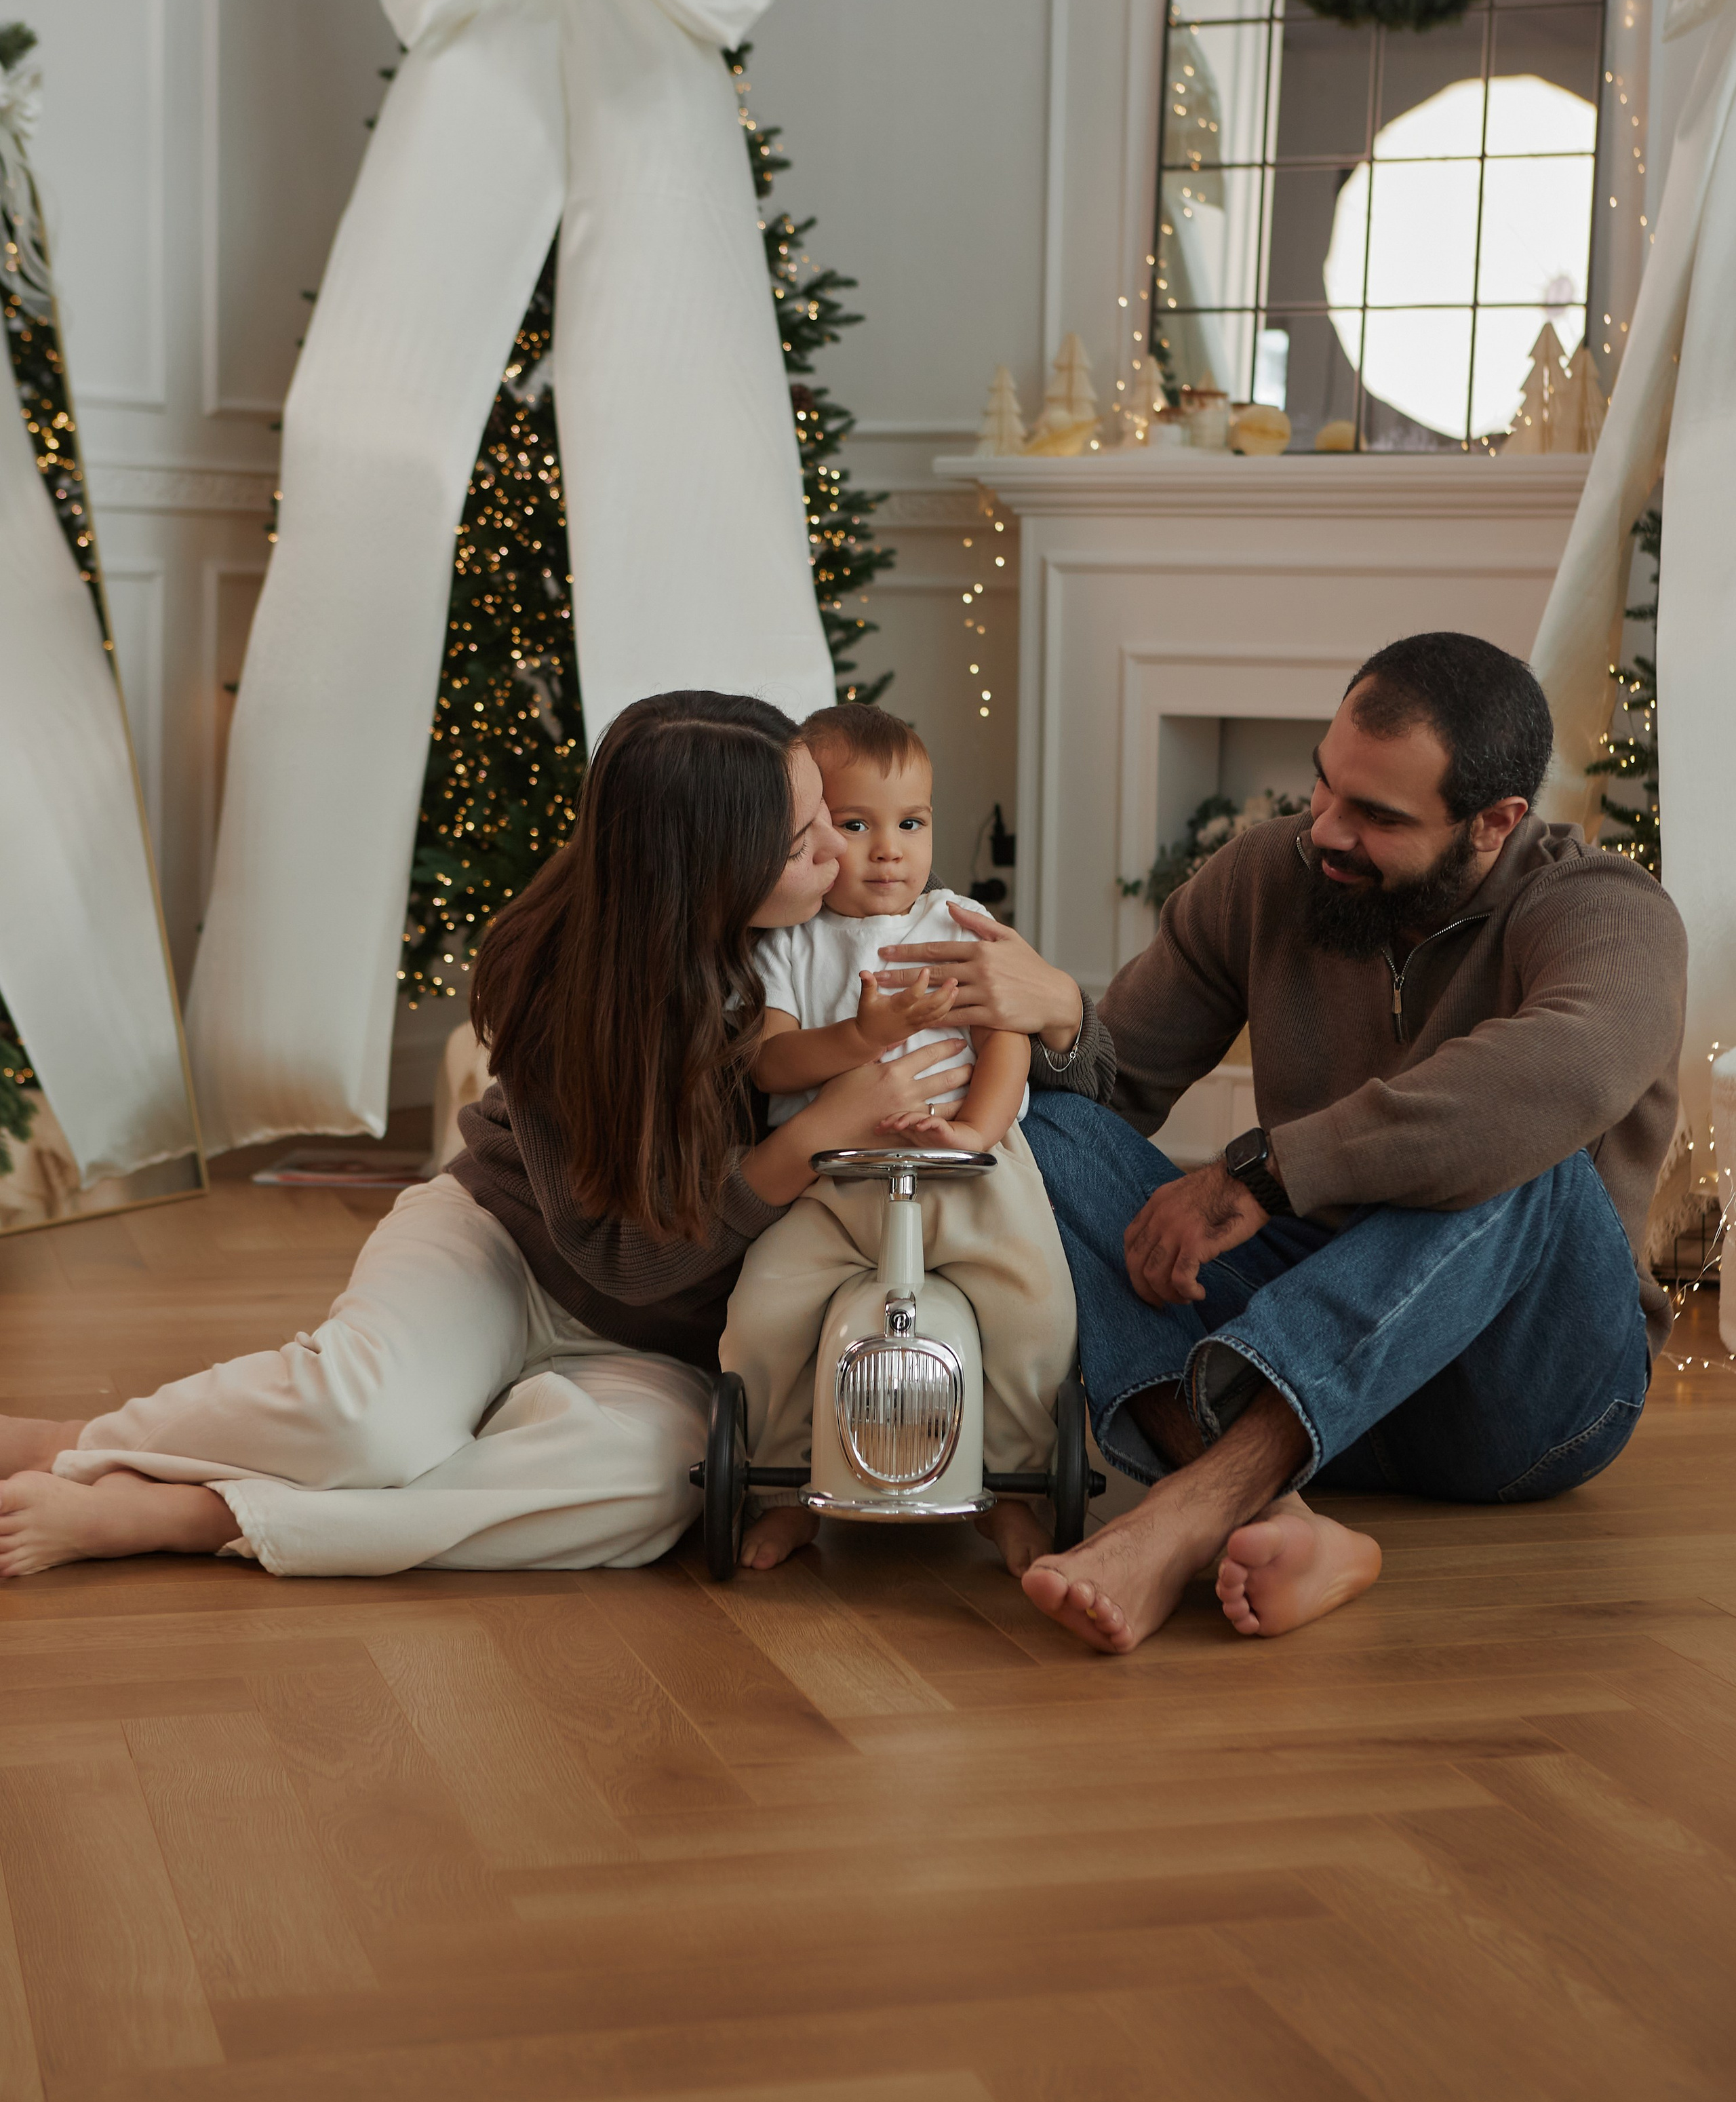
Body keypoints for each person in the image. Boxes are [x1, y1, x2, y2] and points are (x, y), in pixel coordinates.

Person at [0, 690, 977, 1580]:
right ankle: (77, 1445)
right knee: (366, 1415)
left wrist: (1058, 1010)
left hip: (661, 1343)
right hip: (502, 1244)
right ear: (710, 871)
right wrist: (813, 1138)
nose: (843, 854)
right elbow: (623, 1256)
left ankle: (194, 1512)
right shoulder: (565, 986)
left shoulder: (838, 935)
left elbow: (1002, 1026)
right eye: (805, 838)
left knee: (651, 1490)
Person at [871, 634, 1686, 1656]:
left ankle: (1194, 1509)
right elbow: (1116, 1093)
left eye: (1378, 817)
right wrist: (1063, 1021)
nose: (1325, 831)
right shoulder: (1272, 872)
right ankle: (1287, 1522)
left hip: (1519, 1401)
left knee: (1527, 1147)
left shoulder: (1608, 912)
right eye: (1324, 785)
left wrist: (1269, 1170)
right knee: (1051, 1127)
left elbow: (1559, 1076)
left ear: (1495, 824)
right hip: (1310, 1359)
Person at [720, 703, 1077, 1576]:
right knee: (761, 1316)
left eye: (910, 824)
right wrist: (862, 1039)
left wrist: (972, 1133)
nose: (888, 850)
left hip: (968, 1174)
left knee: (1036, 1309)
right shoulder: (792, 946)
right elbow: (769, 1063)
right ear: (812, 835)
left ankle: (1016, 1489)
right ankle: (780, 1488)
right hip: (835, 1186)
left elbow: (1008, 1038)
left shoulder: (958, 925)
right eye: (856, 825)